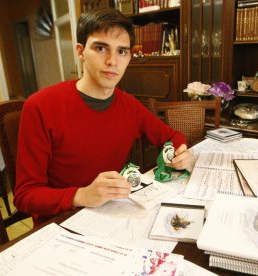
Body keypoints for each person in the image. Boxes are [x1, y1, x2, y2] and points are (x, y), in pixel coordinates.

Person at [14, 8, 191, 226]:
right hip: (62, 223)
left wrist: (181, 154)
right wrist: (81, 195)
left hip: (112, 214)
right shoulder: (40, 106)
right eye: (100, 48)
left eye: (122, 51)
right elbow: (24, 196)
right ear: (80, 52)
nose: (112, 61)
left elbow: (172, 136)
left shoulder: (129, 105)